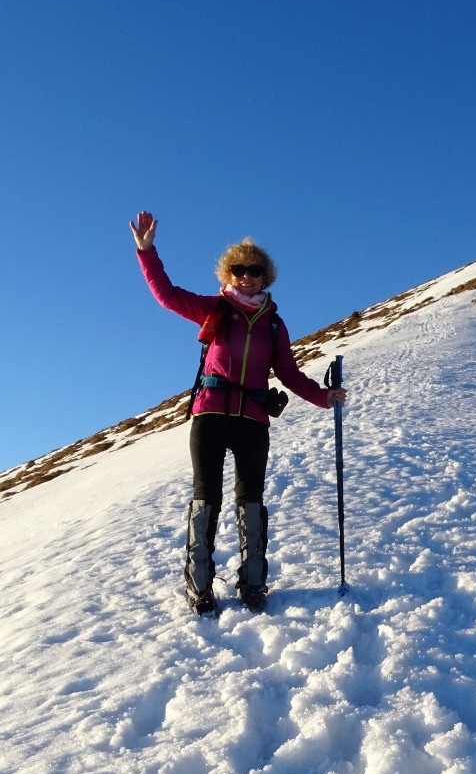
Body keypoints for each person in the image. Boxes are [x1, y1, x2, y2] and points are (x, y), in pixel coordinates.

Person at [130, 211, 345, 614]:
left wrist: (324, 397)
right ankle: (199, 586)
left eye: (254, 270)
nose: (246, 276)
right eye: (239, 269)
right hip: (210, 416)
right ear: (228, 274)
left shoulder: (274, 326)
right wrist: (147, 252)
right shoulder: (214, 309)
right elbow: (167, 295)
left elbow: (288, 373)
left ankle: (253, 583)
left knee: (250, 500)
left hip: (252, 420)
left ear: (266, 276)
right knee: (205, 497)